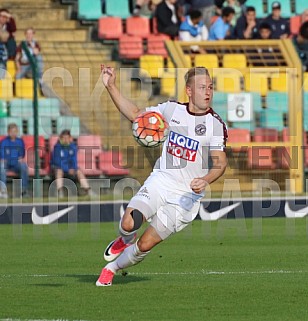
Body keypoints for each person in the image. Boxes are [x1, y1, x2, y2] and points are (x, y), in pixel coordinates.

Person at [96, 65, 228, 286]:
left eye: (211, 87)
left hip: (186, 198)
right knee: (129, 223)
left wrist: (205, 180)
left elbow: (221, 162)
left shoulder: (215, 125)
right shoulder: (171, 110)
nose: (208, 92)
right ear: (189, 90)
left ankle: (111, 268)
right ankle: (125, 239)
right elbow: (137, 115)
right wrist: (111, 86)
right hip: (161, 180)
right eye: (202, 87)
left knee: (146, 244)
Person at [50, 129, 95, 198]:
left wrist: (73, 168)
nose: (65, 140)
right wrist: (68, 169)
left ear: (70, 138)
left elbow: (74, 160)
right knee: (59, 171)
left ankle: (88, 190)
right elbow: (57, 162)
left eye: (67, 138)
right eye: (63, 138)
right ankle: (60, 192)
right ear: (61, 138)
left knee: (79, 172)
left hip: (70, 168)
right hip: (59, 168)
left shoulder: (73, 147)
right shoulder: (57, 148)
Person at [0, 123, 29, 198]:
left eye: (15, 131)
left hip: (16, 163)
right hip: (6, 163)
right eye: (11, 131)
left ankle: (24, 190)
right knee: (2, 166)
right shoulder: (4, 142)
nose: (13, 133)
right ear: (8, 132)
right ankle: (3, 191)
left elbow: (21, 154)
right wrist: (3, 159)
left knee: (23, 166)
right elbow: (2, 155)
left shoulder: (20, 141)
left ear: (17, 132)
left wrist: (20, 158)